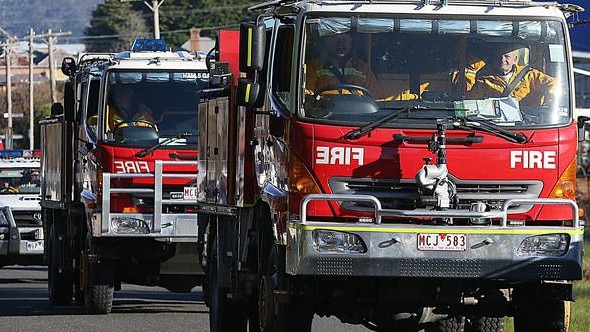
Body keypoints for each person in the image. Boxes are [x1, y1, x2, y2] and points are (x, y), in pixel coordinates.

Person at [465, 42, 556, 106]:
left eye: (507, 56)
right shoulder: (483, 81)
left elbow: (553, 83)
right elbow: (471, 103)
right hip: (497, 127)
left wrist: (550, 97)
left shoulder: (529, 75)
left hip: (528, 124)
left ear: (515, 60)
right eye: (499, 56)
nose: (502, 60)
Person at [306, 32, 385, 99]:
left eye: (345, 40)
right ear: (326, 41)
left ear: (351, 43)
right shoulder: (314, 66)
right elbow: (307, 97)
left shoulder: (361, 67)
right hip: (326, 114)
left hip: (358, 115)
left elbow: (377, 99)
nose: (341, 44)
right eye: (336, 39)